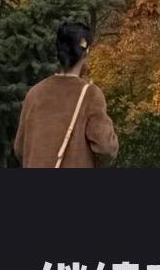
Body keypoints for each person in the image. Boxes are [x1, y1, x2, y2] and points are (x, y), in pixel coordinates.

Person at [13, 21, 119, 169]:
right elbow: (107, 148)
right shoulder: (91, 94)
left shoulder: (34, 94)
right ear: (86, 52)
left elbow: (19, 148)